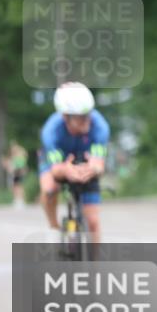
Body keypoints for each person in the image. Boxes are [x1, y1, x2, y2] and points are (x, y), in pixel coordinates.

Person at [39, 82, 110, 244]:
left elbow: (99, 164)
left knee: (93, 221)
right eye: (80, 117)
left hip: (85, 161)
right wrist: (66, 171)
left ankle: (95, 266)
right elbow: (56, 170)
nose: (87, 121)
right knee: (49, 189)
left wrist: (93, 169)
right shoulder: (51, 131)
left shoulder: (100, 127)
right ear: (65, 117)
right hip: (58, 161)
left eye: (88, 114)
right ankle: (54, 227)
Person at [2, 140, 28, 209]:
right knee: (14, 187)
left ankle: (21, 201)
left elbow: (22, 164)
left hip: (18, 173)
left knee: (19, 187)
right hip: (15, 173)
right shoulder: (13, 156)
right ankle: (17, 200)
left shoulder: (20, 155)